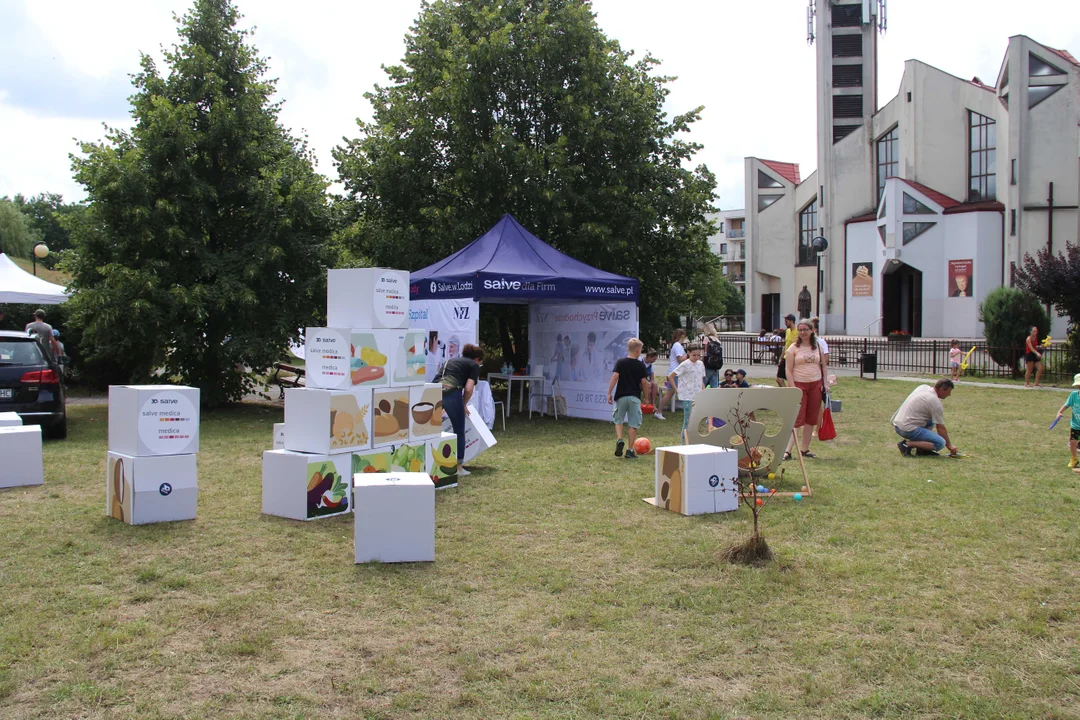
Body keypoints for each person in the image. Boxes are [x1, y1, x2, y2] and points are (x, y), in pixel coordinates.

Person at [784, 319, 826, 459]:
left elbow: (823, 366)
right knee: (797, 418)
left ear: (812, 331)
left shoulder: (818, 347)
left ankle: (805, 449)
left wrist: (825, 384)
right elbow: (788, 370)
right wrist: (793, 388)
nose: (802, 332)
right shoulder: (793, 348)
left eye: (805, 330)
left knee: (811, 418)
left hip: (815, 383)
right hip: (799, 384)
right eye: (800, 330)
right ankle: (787, 450)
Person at [440, 343, 484, 477]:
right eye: (481, 362)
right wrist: (463, 403)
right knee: (459, 431)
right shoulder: (473, 366)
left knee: (432, 430)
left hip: (434, 390)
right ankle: (458, 467)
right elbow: (469, 388)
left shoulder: (450, 361)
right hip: (452, 392)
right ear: (477, 359)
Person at [892, 378, 959, 457]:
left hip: (898, 423)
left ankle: (923, 450)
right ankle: (906, 445)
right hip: (907, 429)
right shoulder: (935, 402)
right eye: (948, 392)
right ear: (941, 389)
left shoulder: (923, 387)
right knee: (940, 443)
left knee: (931, 420)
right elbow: (940, 428)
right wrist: (949, 445)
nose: (949, 395)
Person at [607, 338, 650, 459]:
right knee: (633, 424)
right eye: (641, 350)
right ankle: (630, 450)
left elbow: (615, 377)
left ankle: (620, 439)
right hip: (634, 398)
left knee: (618, 420)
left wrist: (609, 392)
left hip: (621, 396)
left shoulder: (620, 362)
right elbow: (644, 382)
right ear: (637, 351)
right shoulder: (640, 365)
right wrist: (646, 398)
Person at [668, 344, 706, 441]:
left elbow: (701, 379)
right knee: (687, 421)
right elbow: (671, 376)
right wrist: (677, 389)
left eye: (698, 355)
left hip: (698, 395)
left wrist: (704, 392)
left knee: (696, 421)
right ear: (688, 353)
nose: (696, 357)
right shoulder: (685, 364)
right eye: (694, 355)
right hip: (688, 396)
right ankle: (684, 442)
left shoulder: (700, 364)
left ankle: (692, 440)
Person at [657, 329, 688, 420]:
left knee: (671, 392)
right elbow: (680, 359)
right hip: (675, 373)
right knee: (670, 393)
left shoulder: (676, 345)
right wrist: (688, 354)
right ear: (681, 336)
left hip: (675, 372)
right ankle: (659, 411)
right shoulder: (678, 345)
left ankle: (663, 409)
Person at [1055, 373, 1080, 469]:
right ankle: (1074, 458)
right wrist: (1059, 412)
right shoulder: (1074, 395)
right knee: (1073, 442)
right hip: (1075, 425)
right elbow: (1066, 405)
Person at [775, 314, 798, 388]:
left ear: (792, 321)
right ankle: (787, 393)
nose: (785, 323)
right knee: (779, 379)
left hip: (793, 358)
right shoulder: (787, 331)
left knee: (791, 379)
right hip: (786, 357)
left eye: (786, 321)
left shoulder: (798, 331)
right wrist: (781, 357)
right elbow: (786, 345)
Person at [701, 322, 722, 389]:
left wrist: (702, 363)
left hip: (708, 365)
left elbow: (705, 352)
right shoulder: (717, 340)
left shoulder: (706, 339)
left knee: (703, 384)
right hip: (716, 366)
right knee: (714, 385)